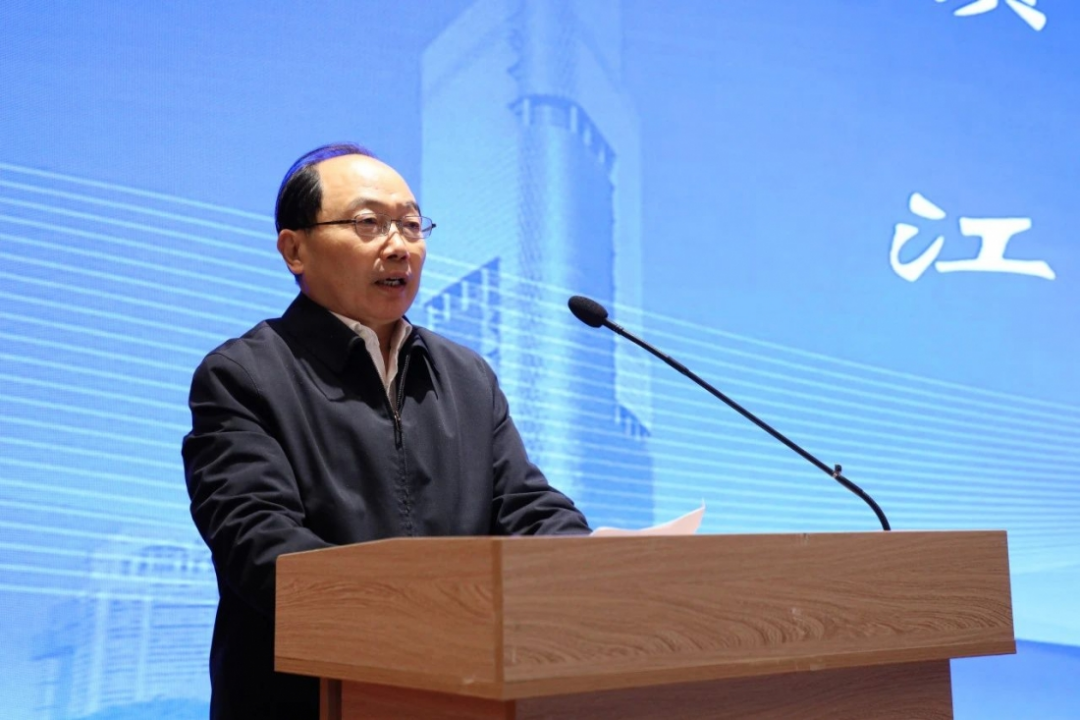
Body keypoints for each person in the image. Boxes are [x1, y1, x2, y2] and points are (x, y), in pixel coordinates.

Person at [182, 143, 590, 719]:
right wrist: (432, 614)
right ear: (294, 250)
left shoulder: (466, 376)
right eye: (368, 223)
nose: (399, 246)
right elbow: (262, 548)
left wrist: (595, 570)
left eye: (411, 225)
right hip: (312, 700)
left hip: (465, 697)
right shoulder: (243, 376)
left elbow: (526, 507)